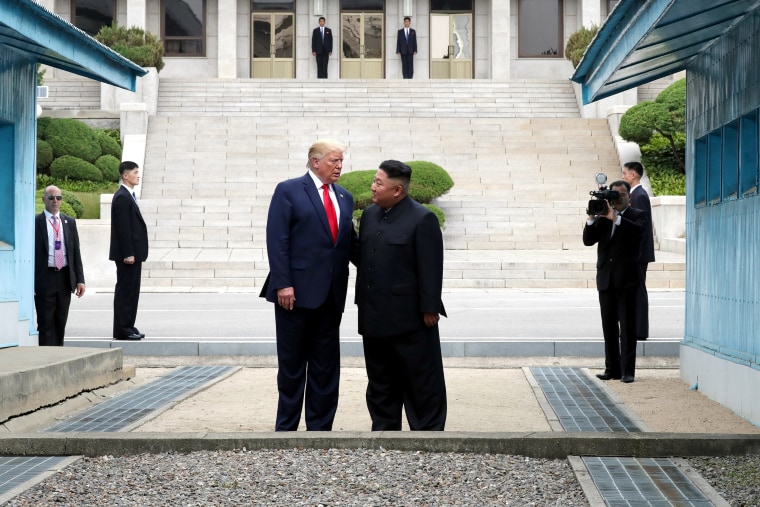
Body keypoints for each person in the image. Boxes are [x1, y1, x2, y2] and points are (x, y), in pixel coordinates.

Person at [260, 140, 357, 431]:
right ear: (315, 162)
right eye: (333, 161)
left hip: (331, 295)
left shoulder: (344, 196)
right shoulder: (289, 190)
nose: (339, 166)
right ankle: (286, 427)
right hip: (295, 295)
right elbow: (277, 239)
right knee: (291, 366)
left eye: (341, 161)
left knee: (326, 367)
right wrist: (283, 283)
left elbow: (347, 244)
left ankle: (321, 428)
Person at [355, 160, 447, 431]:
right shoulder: (370, 214)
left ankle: (428, 433)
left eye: (378, 183)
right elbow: (365, 258)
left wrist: (430, 307)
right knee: (380, 380)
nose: (372, 187)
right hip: (373, 315)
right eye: (374, 180)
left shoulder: (422, 218)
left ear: (397, 191)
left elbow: (431, 266)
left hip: (411, 318)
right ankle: (384, 430)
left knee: (420, 380)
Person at [583, 180, 647, 383]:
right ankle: (612, 368)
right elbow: (588, 240)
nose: (616, 198)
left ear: (629, 197)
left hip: (627, 281)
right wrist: (592, 218)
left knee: (627, 328)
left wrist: (616, 218)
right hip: (606, 280)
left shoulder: (637, 215)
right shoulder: (603, 217)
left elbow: (638, 232)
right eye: (614, 194)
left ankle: (628, 371)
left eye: (620, 194)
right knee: (609, 327)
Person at [34, 185, 86, 346]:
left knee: (61, 319)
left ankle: (58, 353)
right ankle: (45, 355)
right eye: (51, 197)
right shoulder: (36, 222)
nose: (55, 201)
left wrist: (80, 280)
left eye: (58, 198)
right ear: (44, 199)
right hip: (45, 277)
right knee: (45, 321)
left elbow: (75, 252)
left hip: (64, 277)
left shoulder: (69, 222)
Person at [109, 161, 148, 341]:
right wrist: (128, 253)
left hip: (134, 254)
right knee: (125, 291)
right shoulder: (122, 197)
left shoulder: (128, 195)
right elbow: (122, 228)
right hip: (128, 256)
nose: (138, 175)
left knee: (132, 291)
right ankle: (122, 329)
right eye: (135, 172)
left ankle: (129, 326)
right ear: (126, 175)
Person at [622, 161, 655, 341]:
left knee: (638, 291)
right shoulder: (635, 194)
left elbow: (640, 226)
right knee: (634, 291)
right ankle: (635, 328)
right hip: (637, 253)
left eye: (625, 173)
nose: (623, 176)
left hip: (638, 253)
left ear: (633, 175)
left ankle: (640, 330)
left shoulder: (639, 196)